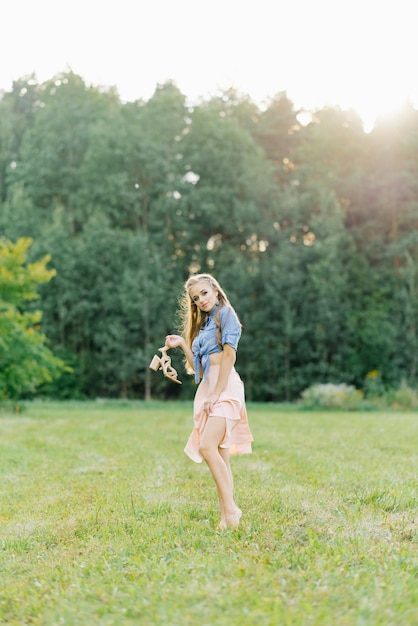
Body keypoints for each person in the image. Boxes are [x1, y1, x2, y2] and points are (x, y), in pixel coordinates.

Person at [164, 273, 253, 530]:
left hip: (226, 388)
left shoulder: (226, 314)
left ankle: (232, 510)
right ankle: (227, 518)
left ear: (215, 290)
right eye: (195, 298)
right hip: (208, 388)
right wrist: (182, 343)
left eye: (204, 293)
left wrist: (216, 393)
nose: (200, 300)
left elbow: (228, 357)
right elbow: (199, 369)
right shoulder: (203, 327)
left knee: (207, 446)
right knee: (220, 454)